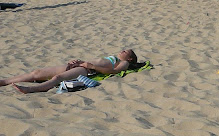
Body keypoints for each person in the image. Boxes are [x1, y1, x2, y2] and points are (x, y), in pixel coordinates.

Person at [2, 49, 137, 94]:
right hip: (80, 65)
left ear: (130, 58)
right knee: (37, 72)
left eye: (126, 52)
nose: (122, 51)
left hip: (86, 70)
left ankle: (31, 90)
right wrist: (79, 61)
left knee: (58, 77)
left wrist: (90, 66)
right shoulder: (114, 57)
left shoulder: (124, 63)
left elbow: (112, 72)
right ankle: (4, 81)